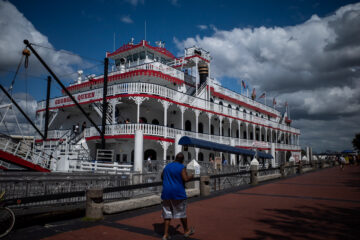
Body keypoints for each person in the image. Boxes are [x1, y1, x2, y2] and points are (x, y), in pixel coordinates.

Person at [161, 153, 194, 240]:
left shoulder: (167, 166)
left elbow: (162, 176)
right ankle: (186, 231)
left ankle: (165, 234)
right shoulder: (181, 167)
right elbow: (185, 179)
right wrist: (192, 176)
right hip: (178, 193)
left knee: (167, 214)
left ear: (175, 158)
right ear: (182, 160)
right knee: (182, 213)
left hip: (166, 193)